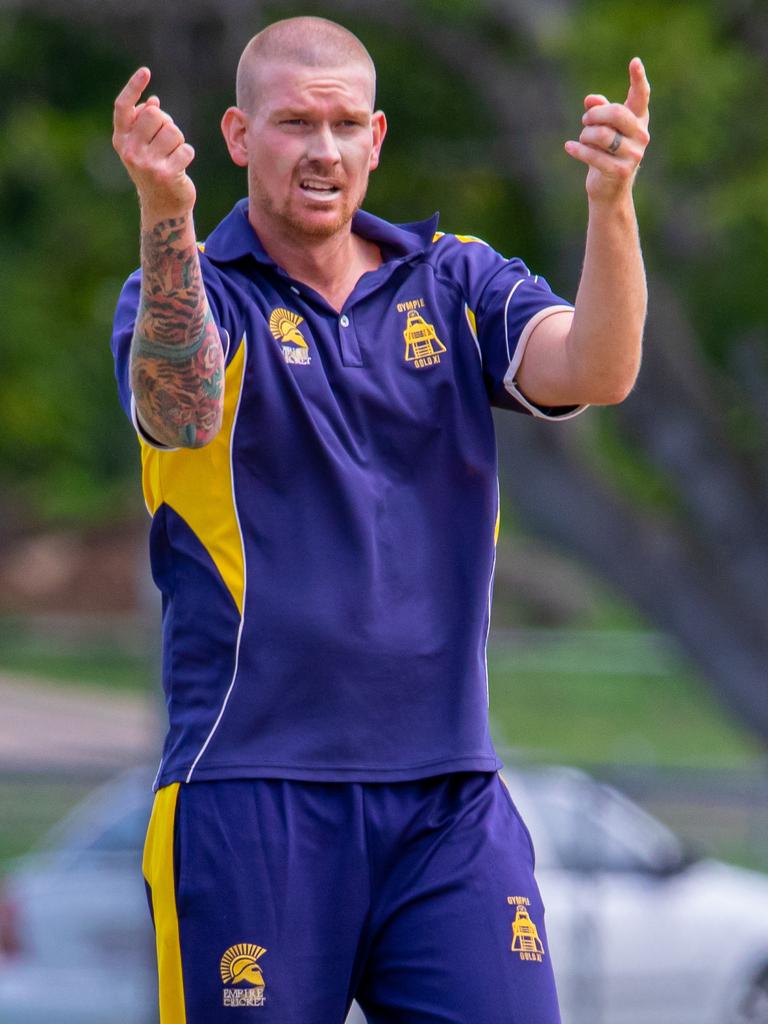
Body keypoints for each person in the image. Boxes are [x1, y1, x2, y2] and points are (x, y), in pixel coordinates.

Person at [111, 15, 650, 1024]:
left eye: (346, 122)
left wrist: (611, 207)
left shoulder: (454, 279)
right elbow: (179, 412)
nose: (324, 148)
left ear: (378, 137)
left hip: (449, 799)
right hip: (249, 790)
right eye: (294, 123)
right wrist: (164, 212)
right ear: (236, 135)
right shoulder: (186, 292)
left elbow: (598, 368)